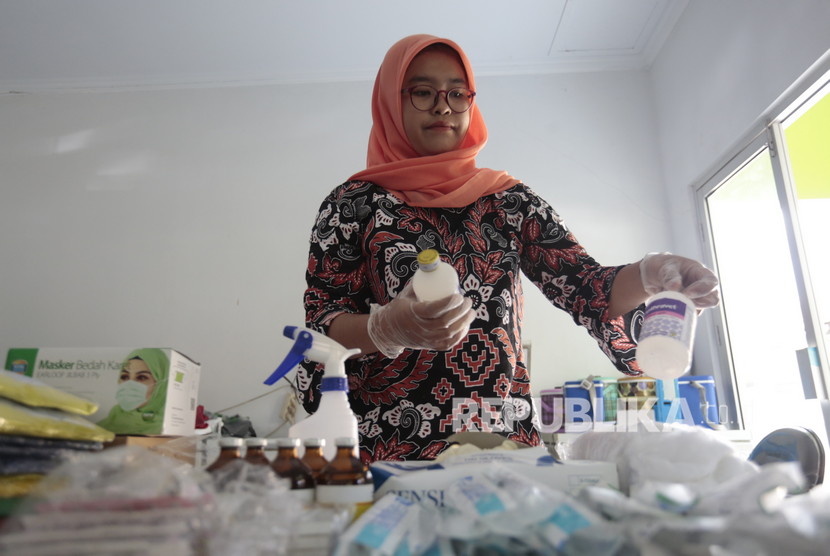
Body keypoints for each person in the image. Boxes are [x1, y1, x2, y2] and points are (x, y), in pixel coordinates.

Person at [297, 34, 719, 463]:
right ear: (390, 101)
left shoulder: (508, 201)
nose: (443, 106)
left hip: (496, 437)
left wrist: (651, 274)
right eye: (422, 92)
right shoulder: (352, 204)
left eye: (458, 93)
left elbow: (584, 285)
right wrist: (385, 327)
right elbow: (321, 325)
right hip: (383, 440)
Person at [97, 348, 169, 435]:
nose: (129, 385)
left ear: (161, 385)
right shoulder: (103, 427)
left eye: (141, 377)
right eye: (124, 377)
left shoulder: (170, 428)